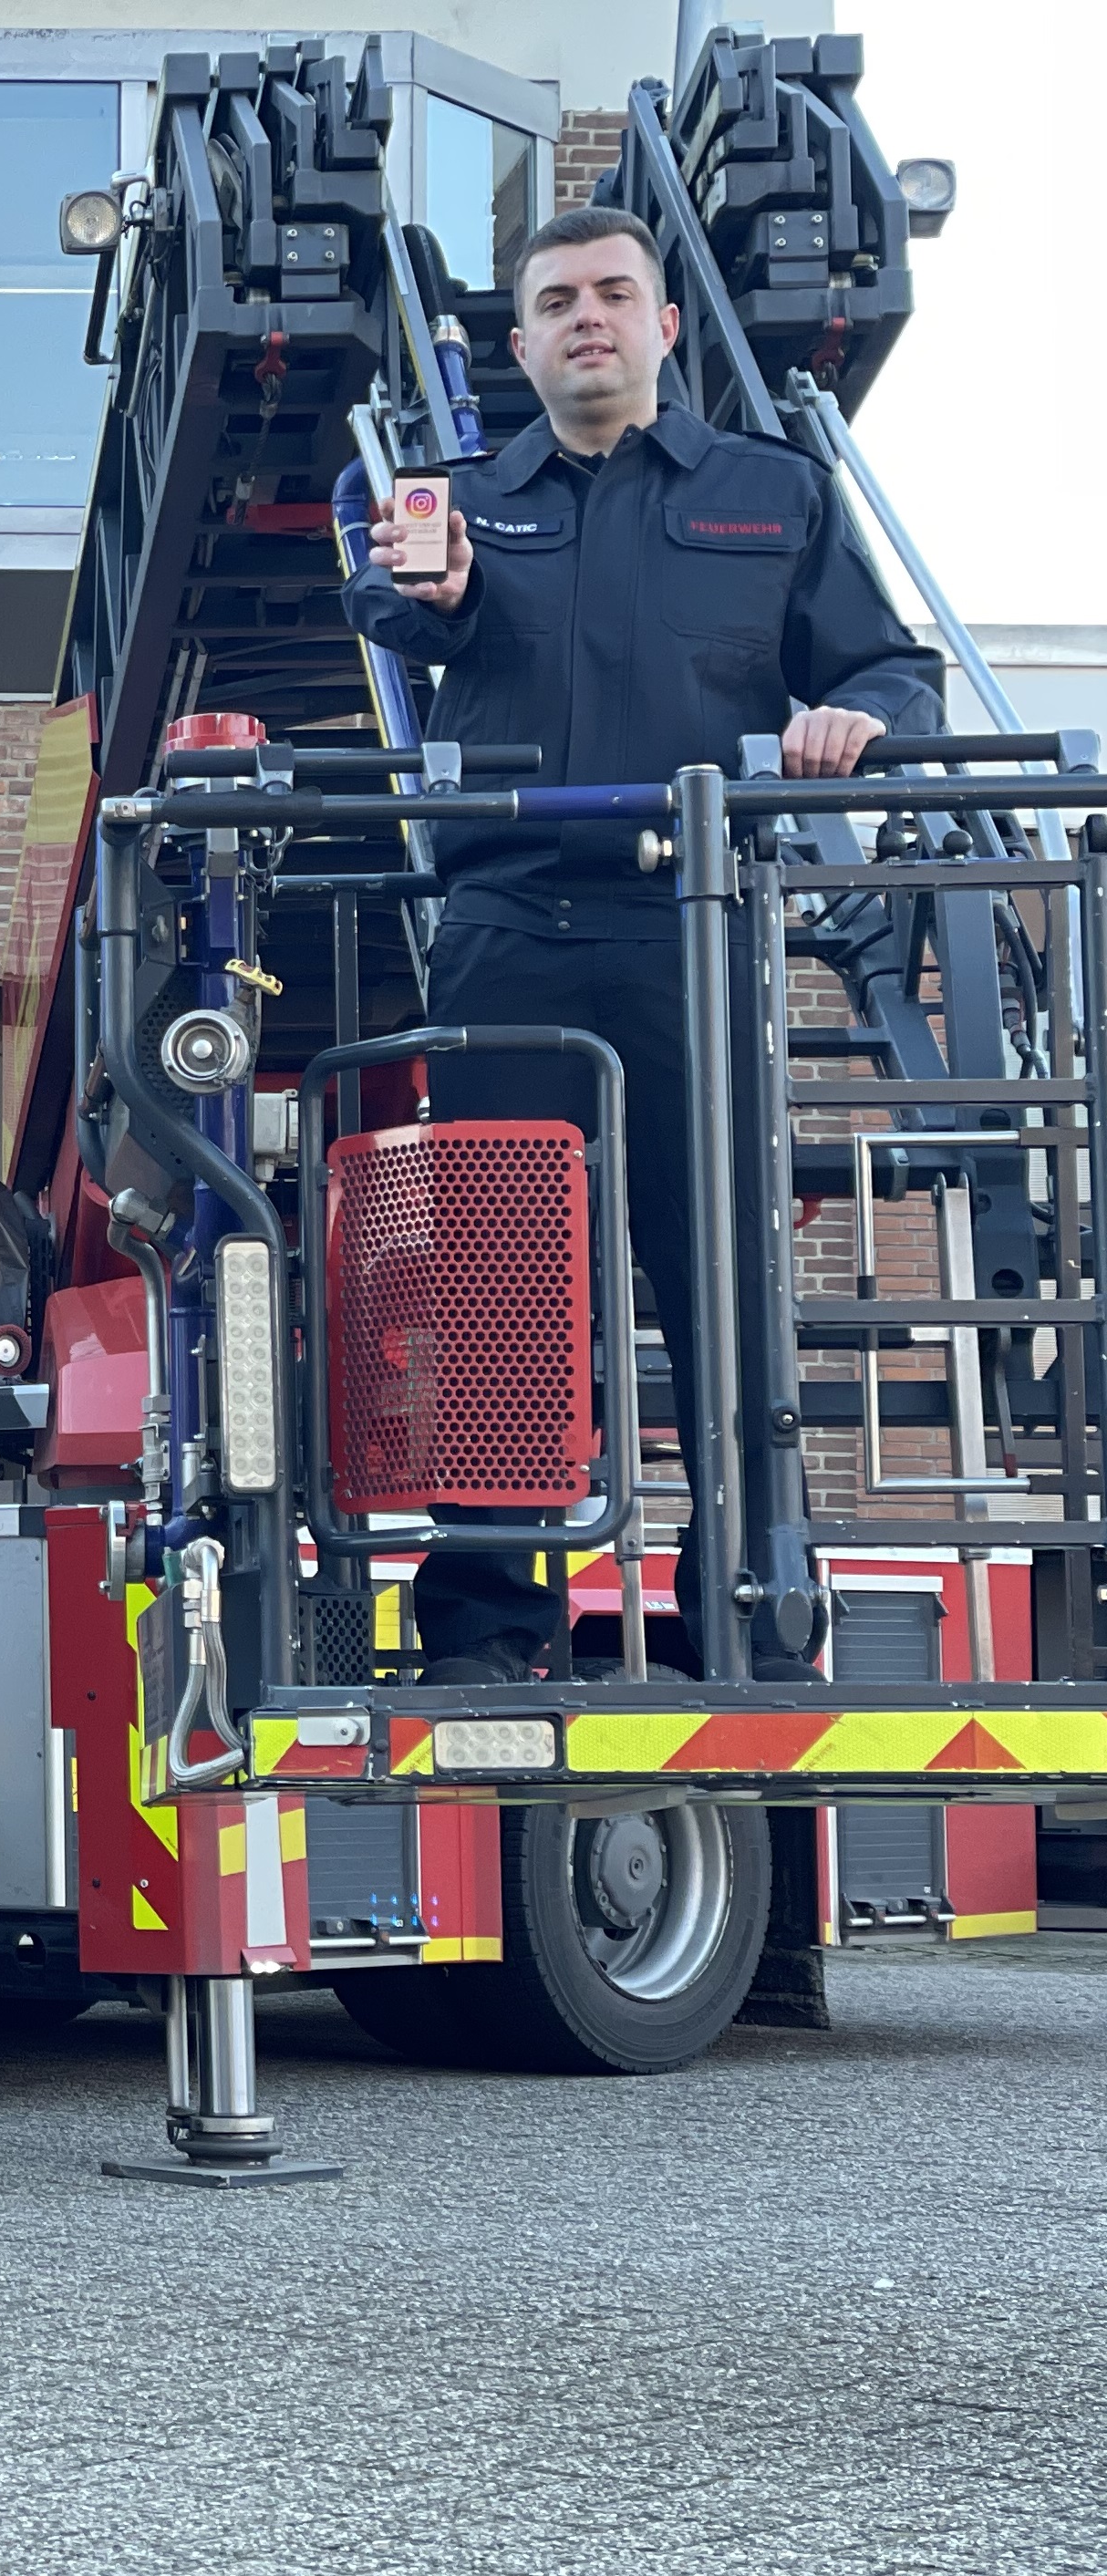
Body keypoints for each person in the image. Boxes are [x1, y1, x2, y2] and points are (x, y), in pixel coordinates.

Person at [346, 204, 942, 1684]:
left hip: (697, 929)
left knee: (718, 1289)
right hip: (507, 934)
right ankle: (490, 1635)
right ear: (522, 341)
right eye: (556, 302)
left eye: (615, 293)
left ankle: (746, 1614)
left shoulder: (773, 493)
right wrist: (416, 593)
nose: (587, 318)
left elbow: (887, 664)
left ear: (665, 325)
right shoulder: (466, 504)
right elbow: (387, 603)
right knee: (495, 1292)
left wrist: (859, 721)